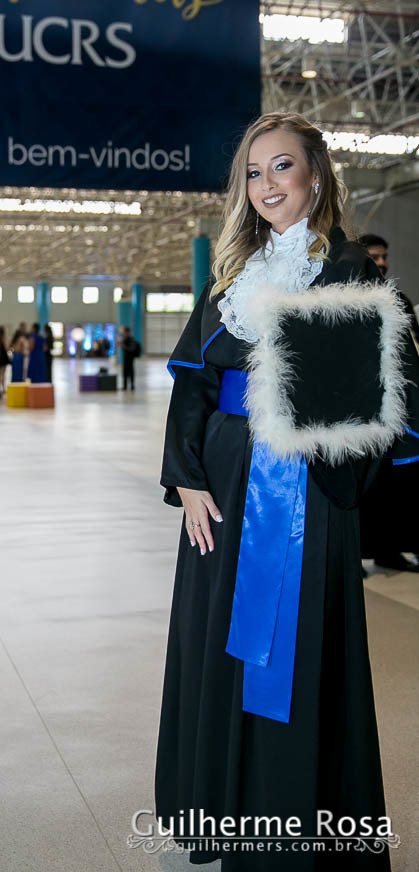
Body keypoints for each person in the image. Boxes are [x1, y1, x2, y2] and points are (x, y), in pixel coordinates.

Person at [154, 112, 419, 871]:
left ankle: (291, 828)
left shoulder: (352, 277)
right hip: (226, 490)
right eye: (252, 171)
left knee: (297, 659)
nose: (266, 184)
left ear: (315, 175)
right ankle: (221, 811)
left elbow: (388, 398)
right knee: (219, 647)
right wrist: (186, 477)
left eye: (281, 167)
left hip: (305, 494)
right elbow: (193, 387)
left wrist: (327, 458)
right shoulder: (231, 278)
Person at [357, 233, 419, 573]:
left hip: (398, 408)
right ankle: (352, 555)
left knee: (395, 484)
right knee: (362, 485)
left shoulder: (400, 301)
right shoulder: (348, 299)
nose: (381, 263)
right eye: (374, 257)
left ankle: (389, 550)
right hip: (362, 411)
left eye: (384, 257)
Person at [0, 326, 10, 393]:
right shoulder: (4, 339)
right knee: (3, 374)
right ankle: (3, 387)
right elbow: (7, 348)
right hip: (3, 357)